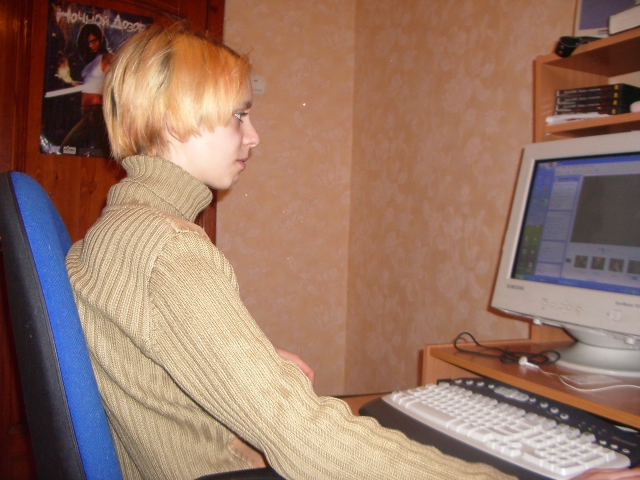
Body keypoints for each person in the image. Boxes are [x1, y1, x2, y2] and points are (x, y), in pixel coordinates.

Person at [65, 22, 640, 480]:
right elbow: (304, 441)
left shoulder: (117, 231)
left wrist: (243, 369)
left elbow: (147, 379)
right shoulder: (169, 249)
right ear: (174, 119)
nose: (254, 136)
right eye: (239, 115)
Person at [60, 23, 113, 156]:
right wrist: (70, 81)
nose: (90, 46)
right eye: (88, 42)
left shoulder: (106, 58)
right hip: (87, 114)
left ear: (100, 39)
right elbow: (89, 85)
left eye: (94, 41)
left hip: (96, 113)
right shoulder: (90, 63)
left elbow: (116, 79)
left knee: (66, 147)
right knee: (104, 152)